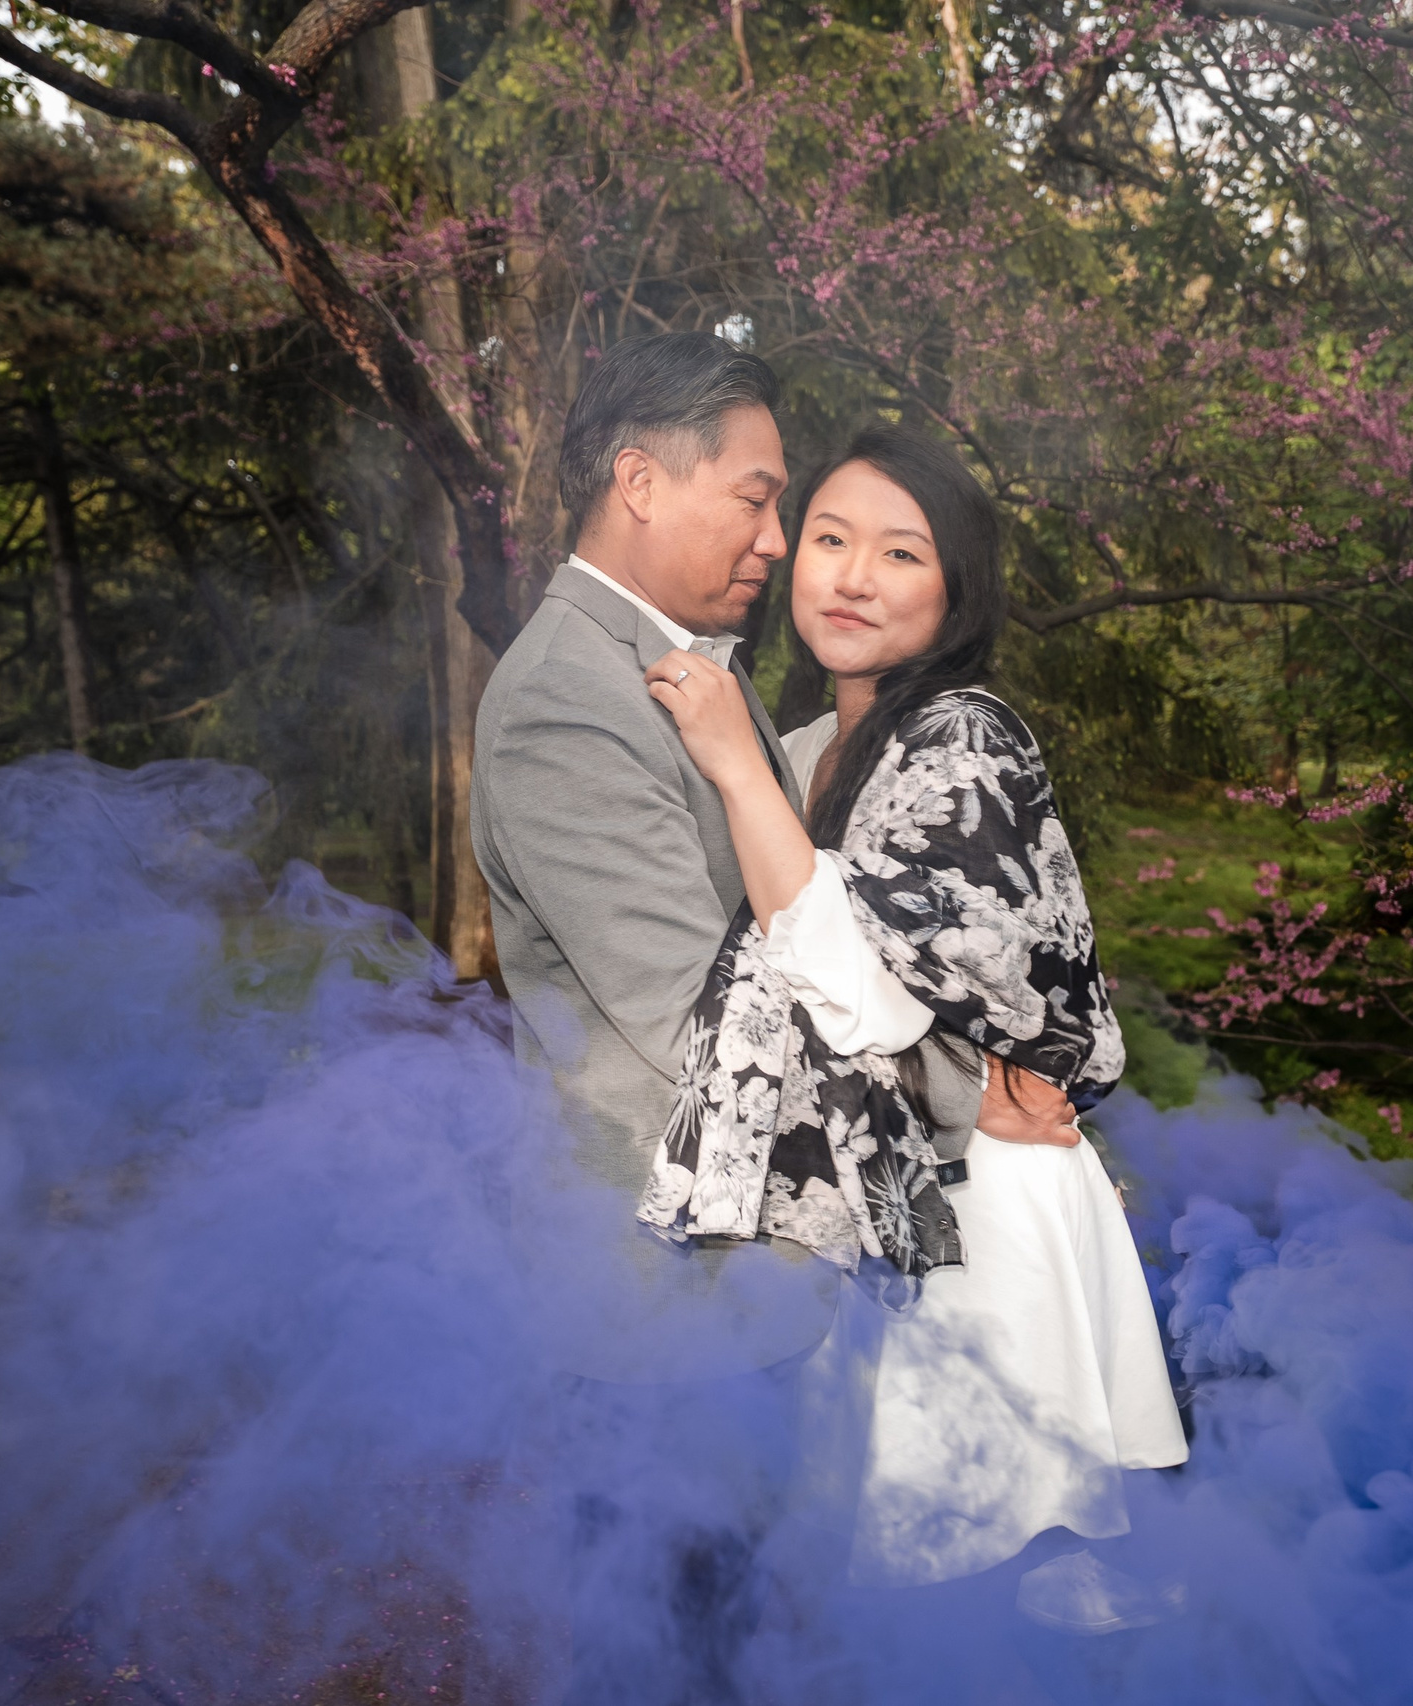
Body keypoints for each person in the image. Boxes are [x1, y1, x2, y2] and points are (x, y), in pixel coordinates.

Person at [470, 338, 1024, 1701]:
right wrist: (967, 1086)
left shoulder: (679, 679)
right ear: (638, 480)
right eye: (761, 499)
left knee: (764, 1642)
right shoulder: (565, 700)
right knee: (677, 1650)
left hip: (759, 1278)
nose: (780, 544)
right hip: (668, 1306)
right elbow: (694, 1021)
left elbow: (783, 875)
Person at [635, 424, 1189, 1629]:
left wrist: (731, 768)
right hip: (887, 1192)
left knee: (997, 1584)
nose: (850, 575)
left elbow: (867, 986)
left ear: (955, 594)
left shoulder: (964, 739)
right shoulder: (812, 745)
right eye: (828, 539)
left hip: (982, 1207)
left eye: (900, 552)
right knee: (884, 1588)